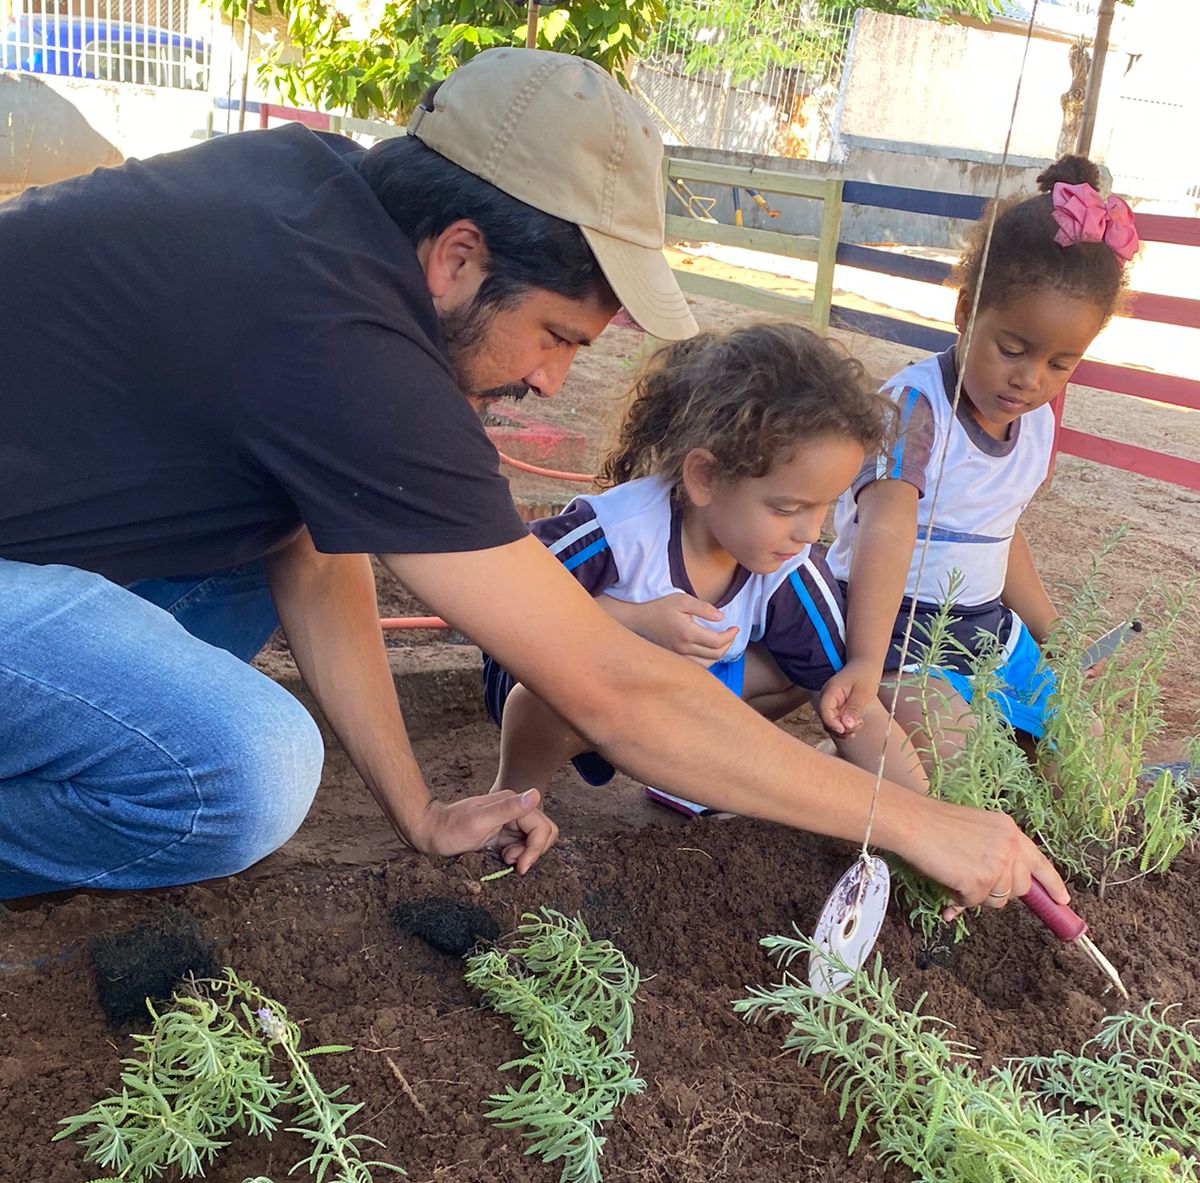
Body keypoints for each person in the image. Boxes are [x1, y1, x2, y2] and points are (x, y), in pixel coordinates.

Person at [0, 47, 1065, 917]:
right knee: (252, 769)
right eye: (555, 334)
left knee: (249, 561)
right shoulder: (341, 333)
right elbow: (613, 687)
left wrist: (416, 807)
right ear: (459, 256)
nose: (550, 380)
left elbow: (311, 550)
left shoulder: (324, 206)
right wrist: (917, 821)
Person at [485, 322, 925, 810]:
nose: (809, 532)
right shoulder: (616, 533)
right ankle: (514, 800)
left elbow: (850, 704)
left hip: (674, 698)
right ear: (705, 477)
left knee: (817, 672)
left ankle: (682, 772)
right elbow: (507, 608)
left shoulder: (791, 568)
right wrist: (633, 623)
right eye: (786, 508)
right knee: (542, 694)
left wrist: (930, 817)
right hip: (556, 692)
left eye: (824, 507)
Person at [821, 155, 1138, 764]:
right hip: (896, 630)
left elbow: (999, 531)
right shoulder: (917, 410)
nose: (1029, 379)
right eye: (1012, 349)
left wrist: (1055, 635)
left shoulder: (1036, 421)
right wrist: (863, 657)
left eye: (1059, 364)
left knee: (1093, 756)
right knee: (963, 760)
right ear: (966, 313)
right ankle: (813, 773)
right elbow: (885, 531)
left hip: (985, 629)